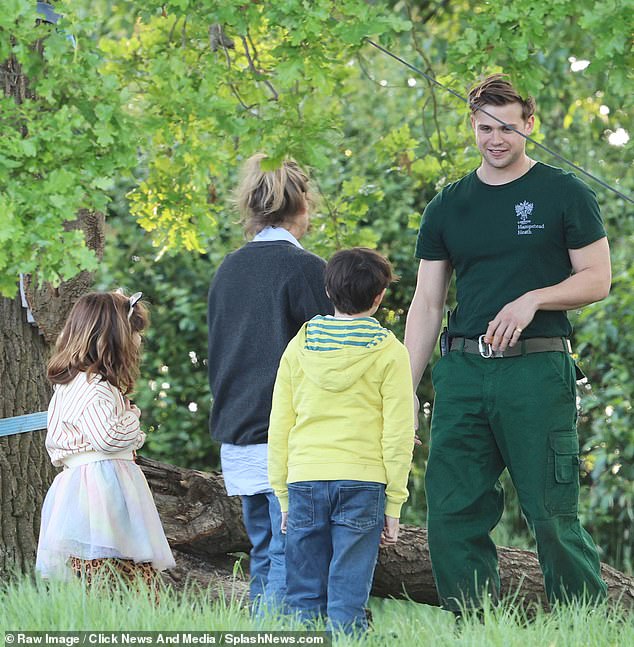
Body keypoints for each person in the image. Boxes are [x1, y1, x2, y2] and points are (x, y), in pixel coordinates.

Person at [404, 74, 610, 614]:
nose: (495, 139)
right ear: (472, 127)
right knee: (451, 512)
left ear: (529, 126)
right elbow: (426, 304)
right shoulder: (448, 205)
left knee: (551, 513)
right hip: (463, 373)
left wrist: (534, 299)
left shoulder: (565, 193)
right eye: (484, 128)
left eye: (507, 128)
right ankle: (475, 625)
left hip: (536, 371)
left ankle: (582, 625)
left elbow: (596, 279)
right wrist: (403, 387)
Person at [207, 154, 333, 610]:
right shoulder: (306, 269)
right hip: (287, 438)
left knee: (265, 551)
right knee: (291, 554)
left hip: (238, 433)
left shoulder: (227, 270)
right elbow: (331, 357)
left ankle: (259, 628)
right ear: (303, 205)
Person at [268, 247, 415, 633]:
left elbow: (280, 424)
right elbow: (398, 433)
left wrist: (282, 493)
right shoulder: (390, 353)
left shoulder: (298, 348)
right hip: (363, 482)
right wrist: (395, 502)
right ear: (380, 297)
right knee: (348, 596)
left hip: (305, 479)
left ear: (329, 292)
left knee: (302, 597)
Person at [36, 290, 175, 586]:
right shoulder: (94, 386)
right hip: (101, 487)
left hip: (90, 484)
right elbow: (107, 437)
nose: (139, 341)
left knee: (102, 563)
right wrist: (133, 419)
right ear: (114, 337)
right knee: (109, 561)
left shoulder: (73, 384)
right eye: (135, 332)